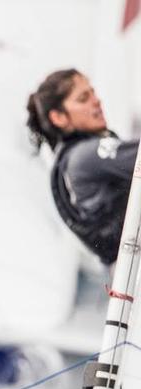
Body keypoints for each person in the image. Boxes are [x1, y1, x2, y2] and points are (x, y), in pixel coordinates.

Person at [26, 68, 138, 265]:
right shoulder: (85, 157)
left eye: (93, 93)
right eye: (83, 98)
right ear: (59, 117)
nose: (97, 101)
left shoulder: (70, 164)